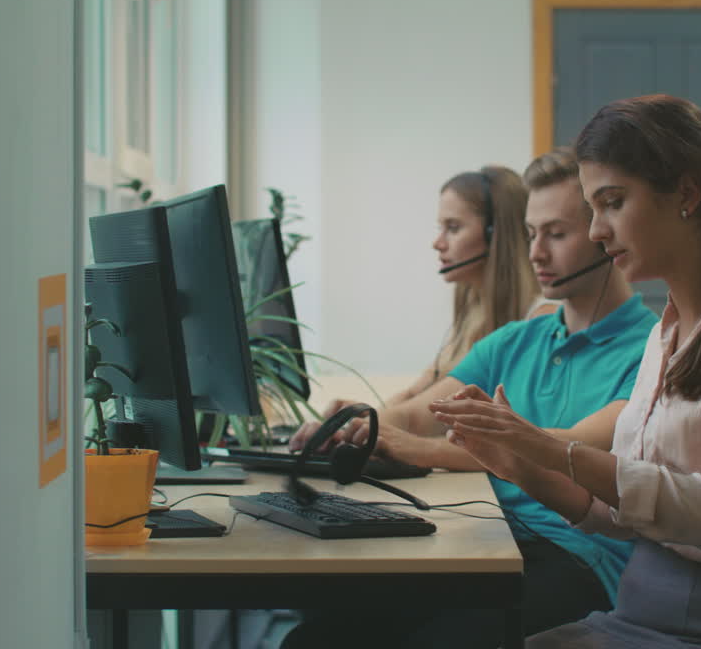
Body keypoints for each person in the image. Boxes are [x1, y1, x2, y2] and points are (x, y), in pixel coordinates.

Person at [432, 95, 701, 648]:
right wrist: (521, 467)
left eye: (613, 203)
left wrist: (555, 452)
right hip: (641, 613)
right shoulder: (666, 331)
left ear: (687, 195)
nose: (597, 230)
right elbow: (623, 513)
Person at [280, 148, 659, 649]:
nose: (536, 253)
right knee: (315, 640)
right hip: (489, 543)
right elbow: (421, 413)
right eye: (530, 234)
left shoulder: (651, 350)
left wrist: (419, 448)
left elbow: (567, 449)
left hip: (577, 559)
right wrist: (364, 424)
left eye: (557, 234)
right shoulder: (516, 340)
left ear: (603, 236)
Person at [291, 164, 539, 447]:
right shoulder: (472, 313)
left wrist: (370, 426)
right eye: (440, 228)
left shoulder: (536, 321)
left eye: (453, 228)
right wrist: (360, 420)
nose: (437, 243)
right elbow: (414, 397)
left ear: (496, 235)